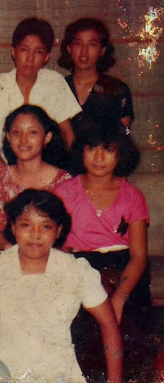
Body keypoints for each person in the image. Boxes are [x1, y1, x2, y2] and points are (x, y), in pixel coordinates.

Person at [0, 189, 122, 381]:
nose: (35, 235)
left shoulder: (75, 271)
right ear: (13, 226)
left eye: (46, 227)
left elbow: (108, 324)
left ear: (58, 230)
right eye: (26, 225)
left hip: (58, 373)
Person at [54, 118, 148, 380]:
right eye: (91, 148)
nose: (98, 157)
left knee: (129, 323)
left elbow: (139, 257)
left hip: (123, 267)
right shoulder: (64, 191)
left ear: (121, 154)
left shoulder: (132, 196)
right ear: (81, 151)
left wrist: (119, 297)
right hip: (79, 265)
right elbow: (55, 243)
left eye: (108, 150)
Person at [0, 17, 81, 185]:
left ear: (46, 57)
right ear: (13, 52)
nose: (30, 58)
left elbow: (67, 133)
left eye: (38, 52)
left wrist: (75, 173)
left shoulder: (54, 82)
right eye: (24, 50)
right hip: (1, 175)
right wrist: (8, 177)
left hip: (45, 177)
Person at [0, 105, 70, 255]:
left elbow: (66, 232)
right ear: (8, 137)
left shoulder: (63, 181)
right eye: (16, 132)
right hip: (6, 254)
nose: (23, 140)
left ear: (47, 137)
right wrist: (10, 249)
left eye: (32, 132)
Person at [58, 17, 134, 132]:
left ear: (102, 50)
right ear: (69, 48)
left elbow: (124, 134)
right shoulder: (56, 88)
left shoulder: (117, 90)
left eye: (92, 44)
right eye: (78, 44)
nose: (84, 51)